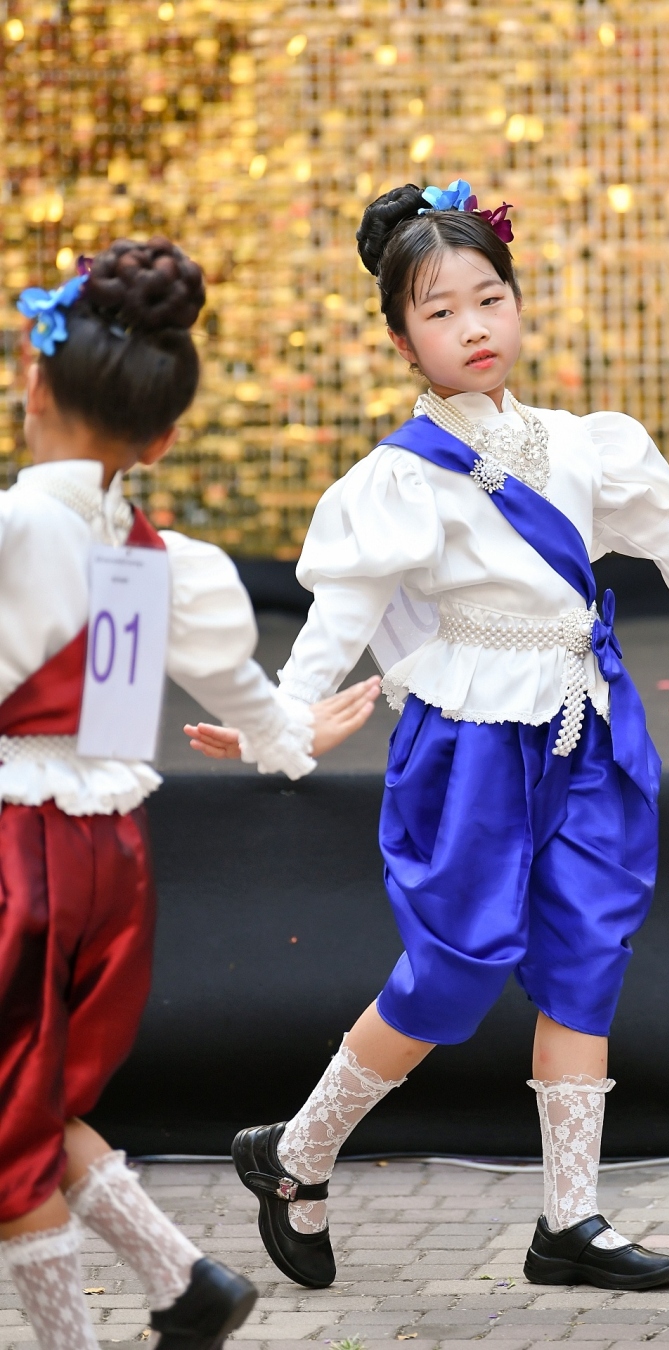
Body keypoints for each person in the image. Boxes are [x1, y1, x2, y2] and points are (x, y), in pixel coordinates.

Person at [191, 181, 669, 1293]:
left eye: (489, 298)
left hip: (587, 724)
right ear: (401, 342)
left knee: (587, 953)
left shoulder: (581, 443)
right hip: (470, 743)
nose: (473, 327)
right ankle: (296, 1150)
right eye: (440, 311)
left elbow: (665, 540)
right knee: (454, 970)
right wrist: (278, 712)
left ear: (516, 304)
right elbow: (342, 618)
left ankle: (569, 1220)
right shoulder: (401, 477)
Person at [0, 237, 380, 1350]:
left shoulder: (17, 530)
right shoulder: (158, 558)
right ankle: (185, 1281)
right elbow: (243, 696)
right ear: (163, 437)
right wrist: (289, 738)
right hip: (112, 855)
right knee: (27, 1094)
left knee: (12, 1125)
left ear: (33, 384)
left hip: (20, 851)